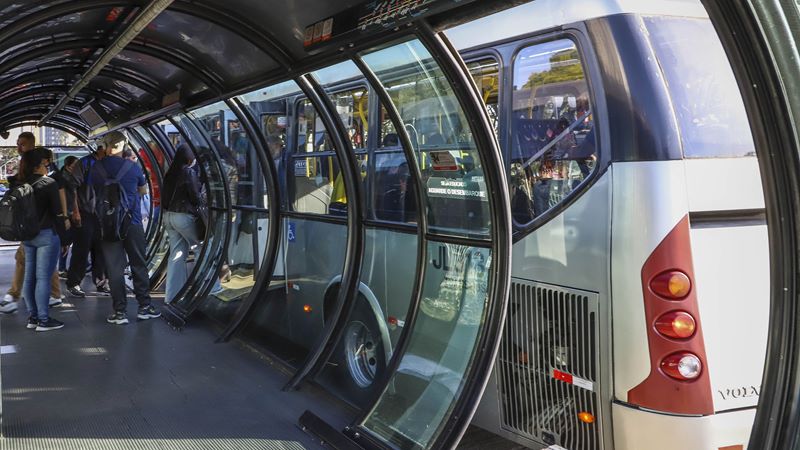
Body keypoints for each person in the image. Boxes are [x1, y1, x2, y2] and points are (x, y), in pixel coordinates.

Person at [92, 131, 160, 324]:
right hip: (133, 222)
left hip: (108, 225)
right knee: (139, 264)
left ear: (106, 147)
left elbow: (93, 191)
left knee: (114, 268)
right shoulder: (133, 167)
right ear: (124, 146)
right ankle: (144, 307)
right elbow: (143, 190)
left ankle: (120, 312)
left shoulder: (96, 168)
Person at [0, 132, 64, 314]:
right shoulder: (44, 178)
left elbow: (58, 198)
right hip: (39, 227)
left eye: (22, 144)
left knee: (27, 264)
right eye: (18, 143)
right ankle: (46, 304)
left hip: (33, 226)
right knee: (41, 267)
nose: (19, 147)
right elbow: (57, 205)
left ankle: (22, 301)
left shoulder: (31, 170)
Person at [17, 147, 68, 331]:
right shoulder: (49, 183)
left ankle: (33, 317)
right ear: (39, 165)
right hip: (46, 234)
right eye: (45, 164)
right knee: (43, 278)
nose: (47, 167)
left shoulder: (20, 183)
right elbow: (57, 213)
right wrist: (64, 239)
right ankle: (44, 320)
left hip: (27, 235)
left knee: (29, 277)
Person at [66, 144, 110, 297]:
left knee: (100, 248)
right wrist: (75, 211)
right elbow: (72, 188)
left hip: (101, 213)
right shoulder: (84, 163)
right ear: (102, 148)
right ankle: (74, 282)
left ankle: (101, 281)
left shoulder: (107, 164)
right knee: (81, 248)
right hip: (84, 211)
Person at [161, 144, 202, 303]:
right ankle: (209, 289)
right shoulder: (188, 172)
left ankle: (172, 295)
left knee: (176, 254)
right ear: (188, 157)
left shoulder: (169, 173)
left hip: (169, 217)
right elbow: (195, 197)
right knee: (199, 248)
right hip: (183, 216)